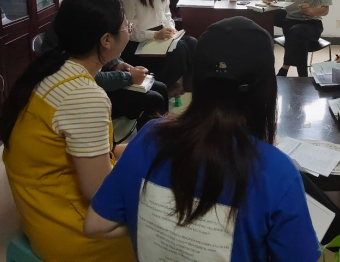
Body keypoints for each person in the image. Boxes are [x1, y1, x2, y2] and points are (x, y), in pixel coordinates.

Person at [83, 17, 321, 261]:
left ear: (196, 81)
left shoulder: (150, 137)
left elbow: (96, 225)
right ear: (267, 88)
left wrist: (162, 228)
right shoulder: (276, 171)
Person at [0, 0, 134, 261]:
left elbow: (76, 151)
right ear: (106, 40)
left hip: (41, 214)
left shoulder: (51, 71)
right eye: (126, 25)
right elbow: (99, 193)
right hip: (71, 231)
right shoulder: (83, 96)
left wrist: (136, 152)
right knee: (168, 226)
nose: (129, 29)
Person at [41, 0, 168, 131]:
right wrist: (127, 77)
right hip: (81, 91)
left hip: (95, 78)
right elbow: (86, 75)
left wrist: (117, 64)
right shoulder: (80, 20)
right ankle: (147, 145)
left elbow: (97, 60)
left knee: (160, 88)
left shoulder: (94, 11)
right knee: (154, 99)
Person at [119, 0, 197, 96]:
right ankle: (162, 88)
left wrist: (171, 30)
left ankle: (190, 89)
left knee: (192, 43)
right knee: (180, 50)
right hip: (139, 43)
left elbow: (166, 14)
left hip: (159, 36)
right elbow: (129, 32)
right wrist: (155, 35)